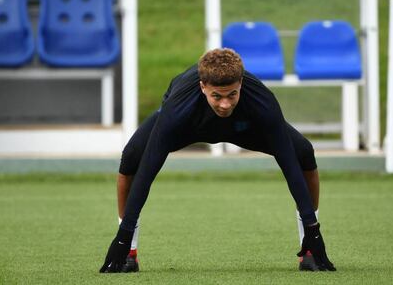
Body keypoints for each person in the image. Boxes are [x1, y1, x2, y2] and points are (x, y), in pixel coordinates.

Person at [99, 48, 336, 273]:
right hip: (189, 125)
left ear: (241, 83)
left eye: (232, 94)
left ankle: (308, 252)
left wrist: (312, 230)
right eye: (217, 96)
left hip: (244, 127)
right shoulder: (177, 108)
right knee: (131, 157)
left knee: (303, 153)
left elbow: (289, 165)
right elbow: (148, 170)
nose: (225, 104)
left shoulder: (263, 101)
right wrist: (124, 236)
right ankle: (130, 253)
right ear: (203, 87)